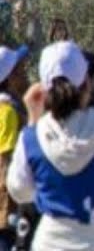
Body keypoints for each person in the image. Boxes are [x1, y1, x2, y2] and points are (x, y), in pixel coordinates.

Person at [6, 41, 94, 251]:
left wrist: (33, 119)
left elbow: (19, 190)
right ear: (88, 83)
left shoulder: (33, 138)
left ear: (43, 88)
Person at [0, 46, 28, 251]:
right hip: (7, 211)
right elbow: (4, 162)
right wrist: (6, 211)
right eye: (19, 68)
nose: (25, 72)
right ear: (10, 78)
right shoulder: (8, 112)